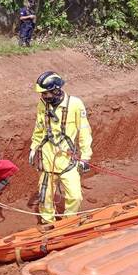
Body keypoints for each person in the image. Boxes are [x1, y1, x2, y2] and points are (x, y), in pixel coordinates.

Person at [28, 71, 93, 224]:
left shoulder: (75, 104)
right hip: (47, 160)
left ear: (56, 89)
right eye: (42, 94)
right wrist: (33, 147)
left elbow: (84, 131)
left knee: (75, 196)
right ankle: (47, 223)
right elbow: (39, 129)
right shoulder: (42, 106)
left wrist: (85, 157)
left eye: (46, 93)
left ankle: (68, 222)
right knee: (45, 197)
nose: (44, 96)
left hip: (68, 161)